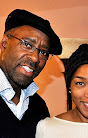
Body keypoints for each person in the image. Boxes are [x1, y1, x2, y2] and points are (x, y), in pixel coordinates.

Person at [0, 9, 62, 137]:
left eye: (43, 52)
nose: (35, 58)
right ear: (4, 43)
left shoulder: (39, 107)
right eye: (27, 44)